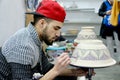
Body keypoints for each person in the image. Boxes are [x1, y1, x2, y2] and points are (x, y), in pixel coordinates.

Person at [1, 1, 89, 80]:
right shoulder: (23, 45)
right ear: (42, 23)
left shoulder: (36, 40)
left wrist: (75, 72)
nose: (58, 34)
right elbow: (52, 71)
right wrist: (55, 71)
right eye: (55, 28)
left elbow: (46, 68)